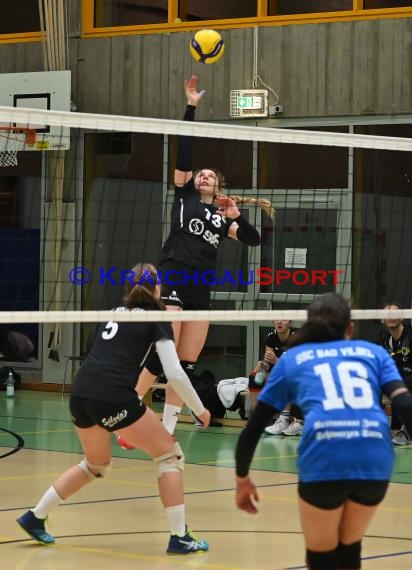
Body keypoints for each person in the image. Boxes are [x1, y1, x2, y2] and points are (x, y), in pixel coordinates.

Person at [16, 262, 211, 555]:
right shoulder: (157, 318)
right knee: (170, 455)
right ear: (157, 289)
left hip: (80, 392)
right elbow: (174, 372)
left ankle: (36, 516)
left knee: (96, 464)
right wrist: (199, 409)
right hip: (112, 396)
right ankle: (179, 536)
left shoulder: (112, 314)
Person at [132, 75, 274, 436]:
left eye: (212, 175)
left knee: (186, 362)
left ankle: (167, 429)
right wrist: (191, 106)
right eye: (202, 174)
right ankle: (128, 409)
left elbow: (254, 240)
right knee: (166, 353)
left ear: (219, 184)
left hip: (201, 285)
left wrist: (236, 215)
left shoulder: (221, 217)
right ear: (193, 181)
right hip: (175, 274)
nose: (205, 176)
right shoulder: (185, 196)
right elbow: (184, 149)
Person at [235, 293, 412, 570]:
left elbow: (255, 426)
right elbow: (405, 405)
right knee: (349, 547)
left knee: (321, 558)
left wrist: (242, 478)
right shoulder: (374, 353)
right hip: (375, 459)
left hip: (326, 457)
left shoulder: (294, 359)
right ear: (350, 328)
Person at [247, 320, 303, 436]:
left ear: (290, 323)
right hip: (277, 371)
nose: (279, 322)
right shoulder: (271, 337)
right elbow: (267, 362)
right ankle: (258, 419)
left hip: (296, 375)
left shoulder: (296, 339)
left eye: (283, 320)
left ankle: (284, 421)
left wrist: (276, 361)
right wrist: (262, 365)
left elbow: (294, 367)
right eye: (277, 319)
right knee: (254, 378)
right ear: (273, 321)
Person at [381, 301, 412, 445]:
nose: (390, 317)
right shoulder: (384, 337)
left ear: (402, 317)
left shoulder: (410, 335)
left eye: (394, 314)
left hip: (408, 380)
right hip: (396, 379)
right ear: (382, 319)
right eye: (387, 314)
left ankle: (405, 431)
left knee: (403, 384)